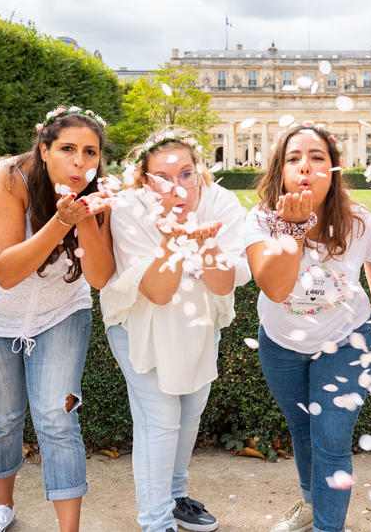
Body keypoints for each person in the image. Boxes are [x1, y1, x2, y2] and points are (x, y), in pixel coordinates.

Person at [0, 105, 114, 532]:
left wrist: (89, 218)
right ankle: (3, 508)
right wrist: (61, 222)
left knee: (58, 417)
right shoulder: (7, 179)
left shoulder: (101, 192)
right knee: (2, 417)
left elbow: (97, 277)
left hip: (60, 313)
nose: (80, 162)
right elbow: (5, 272)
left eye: (91, 152)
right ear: (44, 149)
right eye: (68, 149)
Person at [101, 128, 249, 532]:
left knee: (189, 413)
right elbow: (158, 292)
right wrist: (171, 241)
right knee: (160, 419)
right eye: (163, 178)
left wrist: (207, 244)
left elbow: (222, 283)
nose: (178, 186)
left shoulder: (222, 202)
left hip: (200, 323)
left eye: (186, 173)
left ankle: (176, 496)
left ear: (199, 170)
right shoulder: (129, 209)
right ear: (145, 181)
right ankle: (155, 521)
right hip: (139, 325)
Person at [245, 122, 371, 532]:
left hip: (347, 337)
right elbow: (273, 287)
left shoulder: (359, 220)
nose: (305, 166)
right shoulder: (260, 219)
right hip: (281, 342)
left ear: (334, 169)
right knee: (302, 427)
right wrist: (291, 231)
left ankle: (329, 526)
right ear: (280, 170)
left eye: (316, 157)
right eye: (294, 159)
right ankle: (311, 501)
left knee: (331, 436)